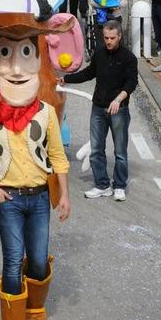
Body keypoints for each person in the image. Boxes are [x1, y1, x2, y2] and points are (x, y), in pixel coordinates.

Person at [0, 29, 70, 320]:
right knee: (13, 262)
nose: (15, 70)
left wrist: (65, 196)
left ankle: (34, 311)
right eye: (5, 57)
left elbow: (57, 156)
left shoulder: (45, 113)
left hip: (40, 197)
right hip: (9, 200)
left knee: (38, 260)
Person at [62, 20, 138, 201]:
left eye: (112, 38)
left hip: (118, 110)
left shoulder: (128, 58)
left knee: (120, 151)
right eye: (106, 38)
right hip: (98, 107)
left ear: (119, 36)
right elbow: (89, 73)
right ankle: (102, 184)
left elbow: (132, 82)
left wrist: (119, 99)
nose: (109, 41)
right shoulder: (100, 54)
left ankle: (119, 185)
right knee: (96, 149)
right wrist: (66, 79)